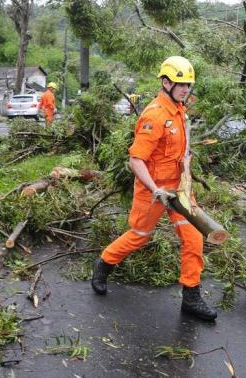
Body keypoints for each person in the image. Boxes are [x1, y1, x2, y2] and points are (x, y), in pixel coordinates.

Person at [91, 56, 217, 322]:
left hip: (180, 190)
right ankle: (104, 263)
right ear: (166, 81)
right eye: (181, 84)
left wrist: (186, 165)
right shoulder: (155, 115)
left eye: (188, 85)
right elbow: (136, 160)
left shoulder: (180, 110)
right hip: (154, 190)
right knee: (139, 235)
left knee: (194, 238)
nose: (186, 89)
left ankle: (191, 296)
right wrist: (154, 188)